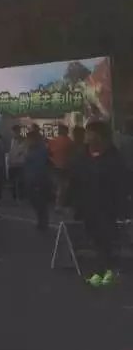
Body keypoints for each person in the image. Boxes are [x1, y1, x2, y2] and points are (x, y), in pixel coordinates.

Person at [75, 122, 125, 287]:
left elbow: (121, 183)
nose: (86, 136)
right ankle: (105, 268)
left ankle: (103, 270)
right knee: (95, 238)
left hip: (107, 206)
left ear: (99, 136)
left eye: (89, 133)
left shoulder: (113, 157)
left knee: (105, 239)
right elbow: (76, 178)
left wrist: (121, 206)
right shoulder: (83, 155)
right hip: (88, 205)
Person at [22, 125, 53, 231]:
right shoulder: (32, 148)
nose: (28, 140)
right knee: (36, 201)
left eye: (30, 138)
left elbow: (40, 166)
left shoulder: (40, 149)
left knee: (40, 202)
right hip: (32, 178)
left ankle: (43, 222)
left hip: (38, 180)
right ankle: (41, 221)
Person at [47, 124, 74, 210]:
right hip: (65, 167)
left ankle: (59, 204)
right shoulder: (69, 142)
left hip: (57, 167)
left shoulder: (54, 141)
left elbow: (48, 152)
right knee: (63, 186)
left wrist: (52, 160)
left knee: (60, 186)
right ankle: (60, 204)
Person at [7, 125, 28, 201]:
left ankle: (19, 197)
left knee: (19, 181)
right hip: (13, 164)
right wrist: (9, 159)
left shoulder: (23, 140)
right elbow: (11, 151)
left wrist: (17, 155)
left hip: (20, 164)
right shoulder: (13, 140)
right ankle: (15, 197)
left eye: (13, 132)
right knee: (13, 182)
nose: (12, 133)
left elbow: (23, 151)